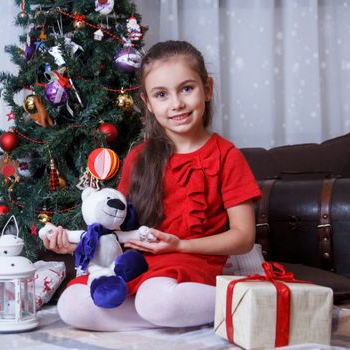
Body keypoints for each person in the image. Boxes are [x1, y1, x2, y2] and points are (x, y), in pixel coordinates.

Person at [42, 40, 262, 331]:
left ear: (206, 89)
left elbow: (243, 237)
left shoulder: (226, 155)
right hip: (137, 263)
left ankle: (242, 301)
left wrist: (181, 245)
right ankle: (163, 315)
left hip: (191, 261)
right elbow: (114, 227)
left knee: (155, 299)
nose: (176, 104)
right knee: (72, 304)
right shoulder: (139, 156)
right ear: (147, 102)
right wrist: (73, 245)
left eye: (187, 88)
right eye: (161, 94)